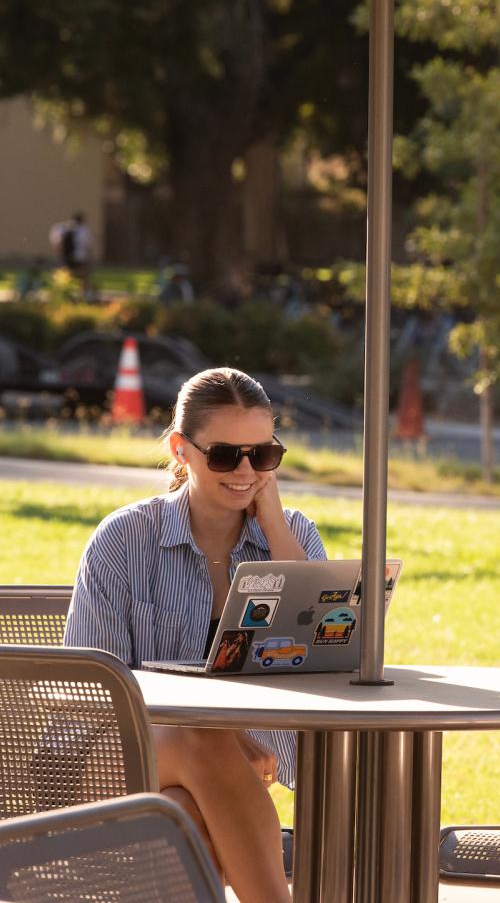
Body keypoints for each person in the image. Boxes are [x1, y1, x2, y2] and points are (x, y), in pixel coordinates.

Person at [63, 368, 326, 902]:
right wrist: (222, 746)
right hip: (100, 757)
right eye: (227, 455)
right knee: (199, 737)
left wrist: (274, 526)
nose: (247, 471)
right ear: (182, 449)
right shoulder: (124, 539)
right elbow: (92, 697)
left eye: (264, 455)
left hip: (213, 779)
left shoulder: (293, 533)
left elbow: (323, 650)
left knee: (183, 819)